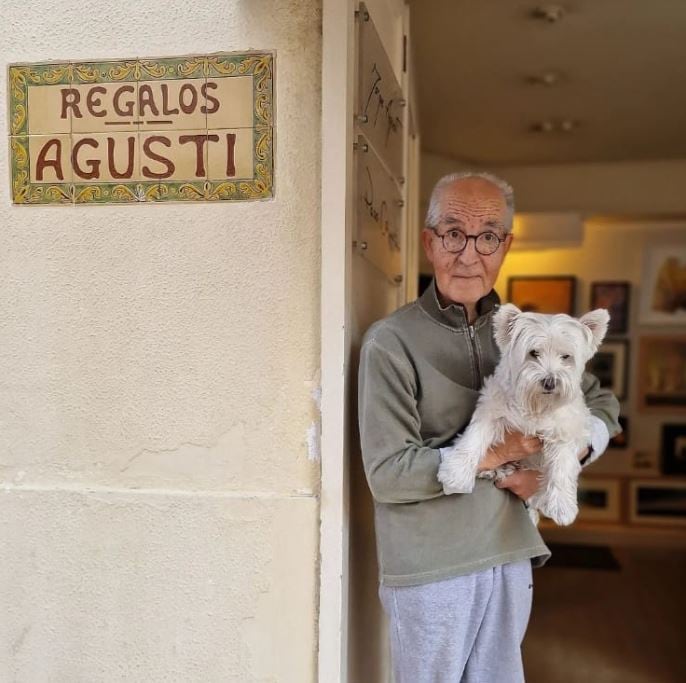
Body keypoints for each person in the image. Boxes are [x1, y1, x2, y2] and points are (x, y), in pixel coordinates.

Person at [357, 171, 621, 683]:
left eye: (487, 236)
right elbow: (388, 475)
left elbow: (602, 404)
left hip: (510, 551)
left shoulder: (529, 331)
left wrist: (562, 460)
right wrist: (500, 451)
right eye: (453, 233)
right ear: (429, 241)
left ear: (505, 246)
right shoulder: (390, 343)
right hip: (433, 567)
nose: (469, 253)